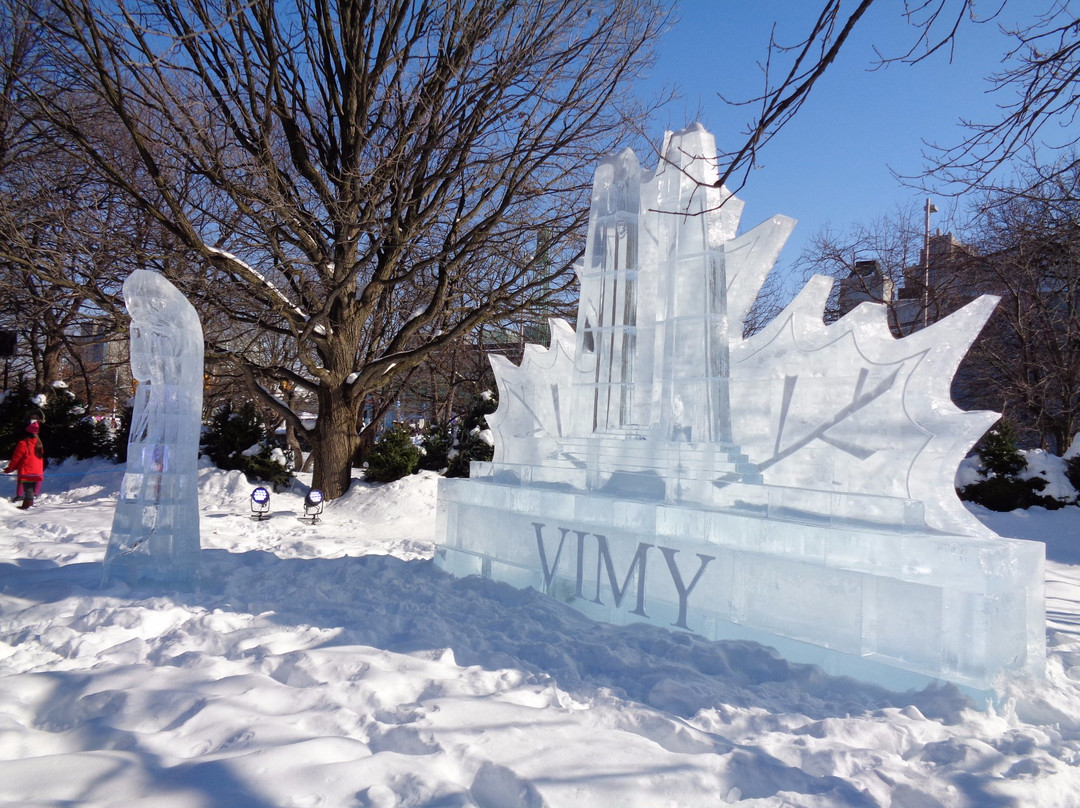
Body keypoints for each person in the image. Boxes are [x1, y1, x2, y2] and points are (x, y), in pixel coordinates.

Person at [4, 421, 45, 509]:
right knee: (30, 489)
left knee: (28, 489)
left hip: (27, 470)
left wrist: (10, 469)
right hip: (37, 471)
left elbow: (16, 458)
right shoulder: (39, 443)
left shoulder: (23, 443)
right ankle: (28, 505)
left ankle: (28, 506)